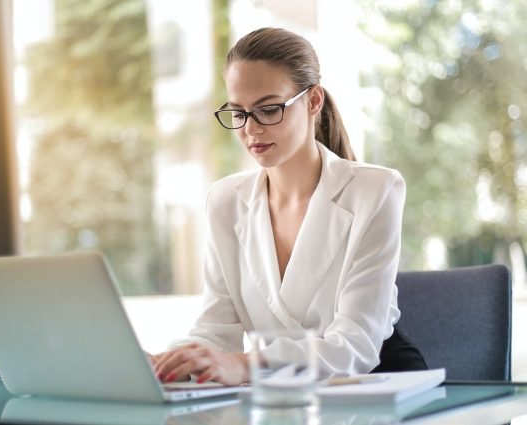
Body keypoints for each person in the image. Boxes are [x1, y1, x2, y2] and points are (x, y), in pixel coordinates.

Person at [153, 27, 426, 386]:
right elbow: (215, 329)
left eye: (268, 110)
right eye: (239, 112)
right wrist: (168, 362)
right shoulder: (225, 201)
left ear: (313, 101)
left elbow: (355, 346)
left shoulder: (375, 190)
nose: (251, 129)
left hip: (375, 384)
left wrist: (248, 366)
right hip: (282, 393)